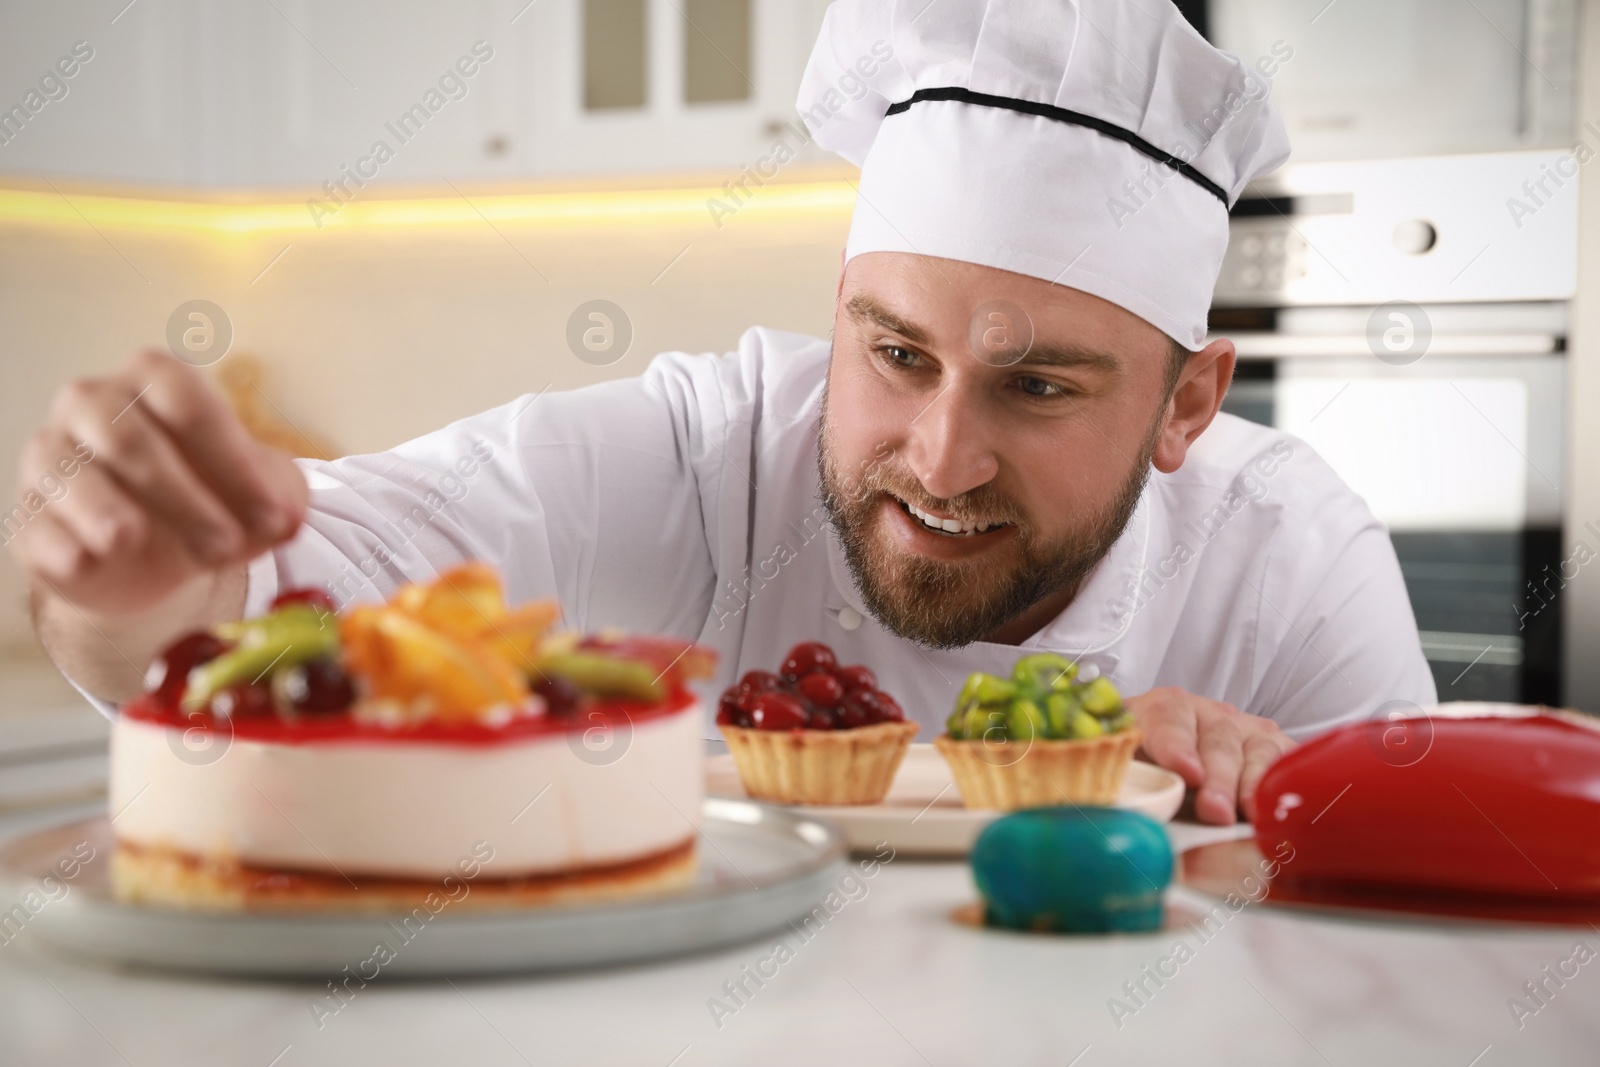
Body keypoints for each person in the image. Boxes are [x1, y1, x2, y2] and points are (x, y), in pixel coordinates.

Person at [7, 0, 1435, 825]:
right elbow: (300, 589)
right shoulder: (699, 457)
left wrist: (1288, 800)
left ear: (1186, 404)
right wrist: (143, 580)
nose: (938, 459)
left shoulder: (1286, 554)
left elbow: (1436, 958)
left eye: (1039, 385)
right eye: (895, 356)